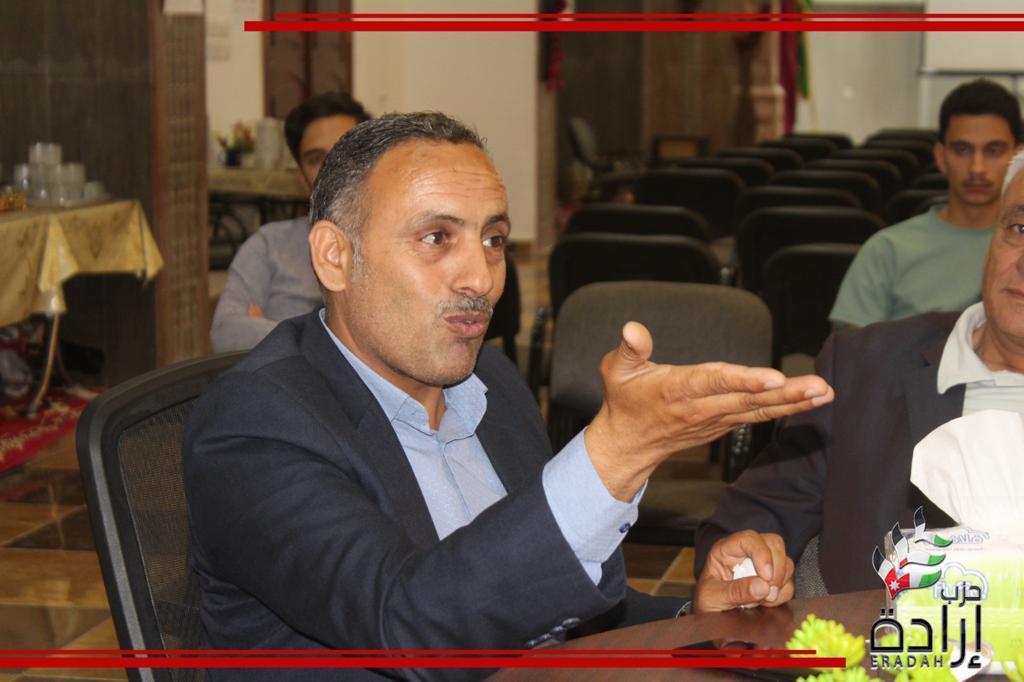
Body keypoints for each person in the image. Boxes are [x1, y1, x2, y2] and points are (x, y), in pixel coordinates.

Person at [184, 112, 835, 679]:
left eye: (493, 240)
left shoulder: (489, 381)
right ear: (334, 256)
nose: (481, 277)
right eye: (437, 238)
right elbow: (410, 626)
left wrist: (696, 616)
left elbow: (547, 604)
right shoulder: (255, 424)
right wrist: (615, 453)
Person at [697, 148, 1024, 595]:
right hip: (869, 637)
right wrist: (746, 556)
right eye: (1020, 228)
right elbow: (752, 518)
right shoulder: (864, 366)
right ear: (993, 235)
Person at [829, 79, 1023, 328]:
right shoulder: (886, 250)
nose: (977, 168)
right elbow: (851, 347)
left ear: (1017, 157)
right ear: (941, 157)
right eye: (962, 150)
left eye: (993, 151)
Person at [209, 92, 371, 352]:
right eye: (315, 159)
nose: (331, 167)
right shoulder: (269, 244)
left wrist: (277, 333)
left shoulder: (398, 243)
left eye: (343, 152)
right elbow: (226, 333)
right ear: (301, 178)